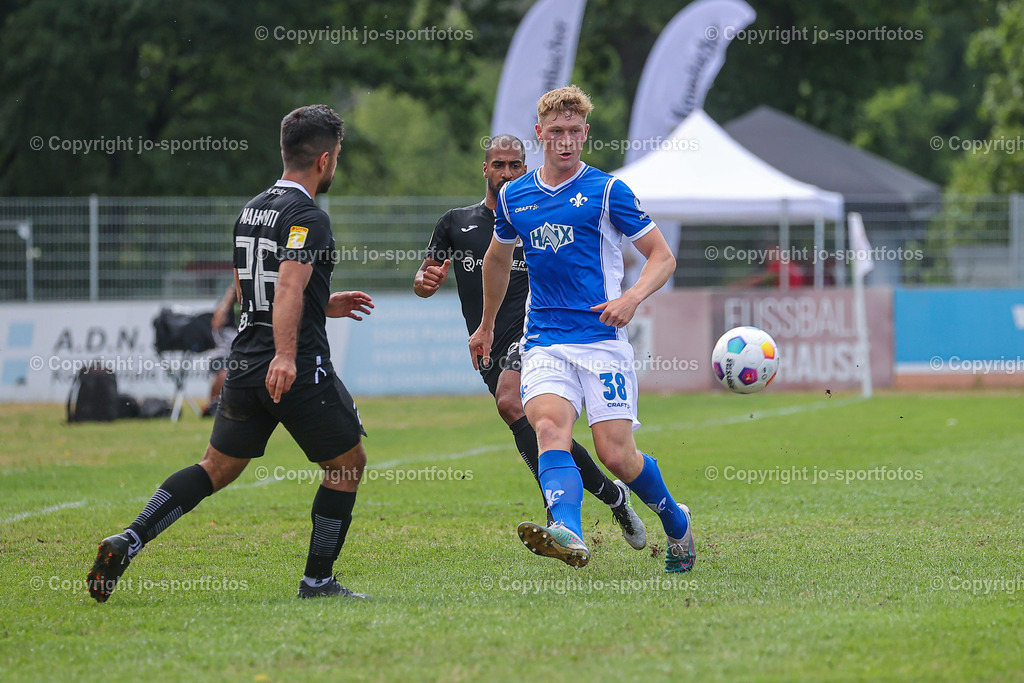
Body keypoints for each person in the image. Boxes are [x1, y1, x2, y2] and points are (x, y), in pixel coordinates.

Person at [88, 104, 375, 601]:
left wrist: (322, 303)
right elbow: (284, 290)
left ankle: (129, 538)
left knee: (214, 467)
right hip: (293, 366)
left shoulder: (251, 209)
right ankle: (317, 581)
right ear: (325, 160)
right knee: (347, 465)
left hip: (242, 364)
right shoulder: (309, 216)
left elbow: (253, 291)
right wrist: (286, 355)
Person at [468, 86, 695, 573]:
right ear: (539, 135)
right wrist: (486, 325)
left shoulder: (608, 191)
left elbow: (663, 256)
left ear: (585, 134)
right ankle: (567, 528)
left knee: (616, 456)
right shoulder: (515, 196)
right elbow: (497, 259)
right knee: (549, 427)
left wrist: (630, 298)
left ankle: (676, 520)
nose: (566, 141)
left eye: (574, 132)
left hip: (602, 342)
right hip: (545, 339)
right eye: (556, 132)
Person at [413, 135, 646, 551]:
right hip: (488, 337)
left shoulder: (533, 211)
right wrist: (424, 282)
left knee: (510, 400)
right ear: (485, 169)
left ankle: (559, 514)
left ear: (525, 168)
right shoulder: (455, 223)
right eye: (498, 165)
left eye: (514, 165)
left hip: (538, 332)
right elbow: (426, 277)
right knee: (537, 425)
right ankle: (612, 496)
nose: (506, 173)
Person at [203, 283, 238, 417]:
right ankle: (213, 405)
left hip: (245, 352)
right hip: (223, 353)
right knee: (223, 374)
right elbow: (216, 323)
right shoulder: (226, 304)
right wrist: (229, 297)